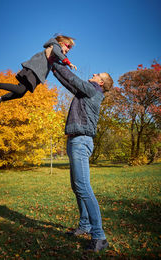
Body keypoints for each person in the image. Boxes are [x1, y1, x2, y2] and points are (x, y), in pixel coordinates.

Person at [52, 62, 113, 252]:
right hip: (74, 142)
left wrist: (53, 60)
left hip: (80, 142)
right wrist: (52, 66)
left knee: (83, 188)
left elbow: (72, 79)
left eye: (98, 74)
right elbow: (68, 82)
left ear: (101, 83)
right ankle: (85, 225)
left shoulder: (93, 91)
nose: (94, 73)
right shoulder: (86, 91)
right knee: (77, 187)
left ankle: (99, 237)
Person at [0, 35, 77, 114]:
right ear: (61, 43)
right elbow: (57, 53)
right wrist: (68, 63)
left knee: (20, 93)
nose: (69, 49)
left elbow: (56, 64)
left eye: (70, 48)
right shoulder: (55, 46)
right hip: (34, 69)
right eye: (68, 46)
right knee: (20, 90)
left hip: (37, 73)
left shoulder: (56, 54)